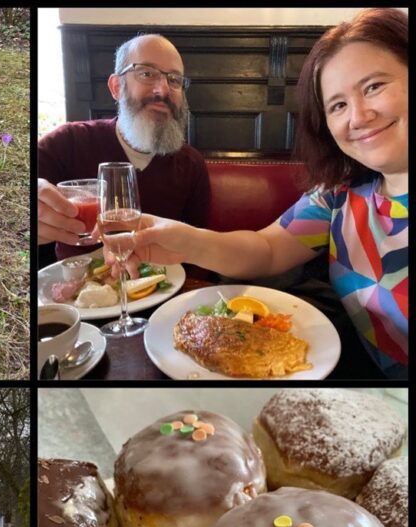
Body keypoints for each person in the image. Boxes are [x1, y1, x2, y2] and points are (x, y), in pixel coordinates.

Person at [113, 8, 408, 379]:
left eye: (373, 86)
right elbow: (267, 249)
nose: (358, 116)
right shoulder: (339, 192)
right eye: (338, 105)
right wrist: (184, 241)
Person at [38, 33, 211, 276]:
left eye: (174, 80)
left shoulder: (192, 164)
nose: (162, 90)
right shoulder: (68, 143)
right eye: (147, 73)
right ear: (116, 87)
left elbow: (197, 261)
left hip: (164, 302)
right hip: (76, 304)